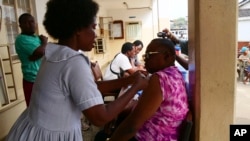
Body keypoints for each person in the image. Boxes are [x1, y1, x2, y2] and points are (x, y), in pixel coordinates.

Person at [6, 0, 148, 141]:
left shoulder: (54, 53)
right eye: (93, 28)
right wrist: (135, 87)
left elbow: (89, 87)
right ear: (78, 29)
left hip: (31, 130)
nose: (96, 34)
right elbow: (99, 117)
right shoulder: (73, 61)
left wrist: (128, 80)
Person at [110, 38, 189, 141]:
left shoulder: (160, 79)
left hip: (149, 138)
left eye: (149, 55)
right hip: (165, 136)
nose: (145, 59)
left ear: (166, 56)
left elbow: (131, 127)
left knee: (101, 136)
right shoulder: (175, 73)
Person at [15, 13, 48, 106]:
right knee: (35, 111)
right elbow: (41, 52)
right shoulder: (21, 39)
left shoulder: (36, 38)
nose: (30, 24)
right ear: (20, 26)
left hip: (43, 79)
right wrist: (44, 43)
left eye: (32, 21)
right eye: (26, 22)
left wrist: (38, 53)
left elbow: (45, 52)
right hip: (32, 81)